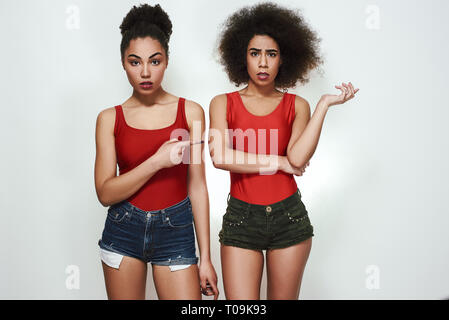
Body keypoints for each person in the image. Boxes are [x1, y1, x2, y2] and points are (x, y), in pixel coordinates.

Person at [208, 2, 359, 300]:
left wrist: (323, 105)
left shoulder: (297, 105)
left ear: (283, 59)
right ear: (242, 57)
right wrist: (279, 161)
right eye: (255, 53)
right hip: (241, 219)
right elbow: (221, 157)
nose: (263, 63)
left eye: (271, 54)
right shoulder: (222, 103)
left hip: (289, 218)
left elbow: (298, 159)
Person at [94, 3, 218, 300]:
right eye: (135, 62)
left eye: (155, 61)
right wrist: (157, 161)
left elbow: (198, 187)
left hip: (176, 231)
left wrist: (206, 258)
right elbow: (105, 193)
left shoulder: (191, 112)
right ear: (123, 63)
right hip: (123, 230)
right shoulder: (109, 118)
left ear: (166, 61)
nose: (145, 72)